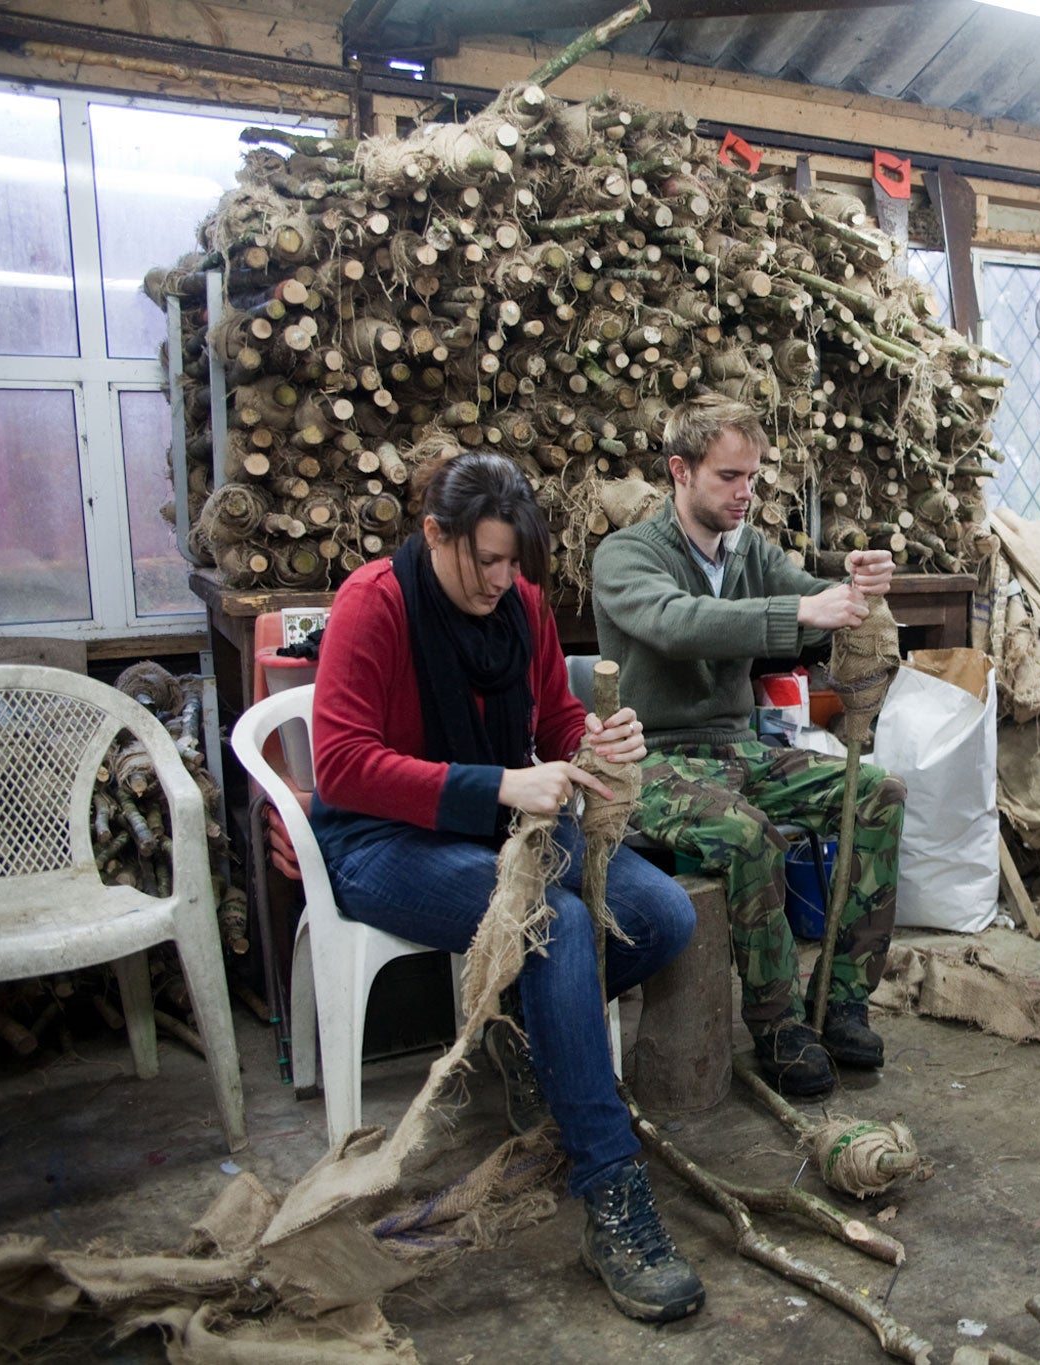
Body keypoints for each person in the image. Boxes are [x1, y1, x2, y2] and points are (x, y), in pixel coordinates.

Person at [310, 451, 704, 1324]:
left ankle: (528, 1033)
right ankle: (610, 1189)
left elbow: (554, 718)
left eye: (511, 561)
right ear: (434, 534)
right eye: (481, 559)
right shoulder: (374, 604)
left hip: (491, 830)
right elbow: (339, 765)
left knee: (661, 913)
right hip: (382, 840)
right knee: (554, 924)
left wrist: (599, 738)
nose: (499, 579)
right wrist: (494, 783)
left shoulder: (521, 604)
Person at [591, 394, 907, 1099]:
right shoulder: (624, 556)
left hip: (738, 749)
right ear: (680, 470)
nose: (746, 493)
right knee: (746, 833)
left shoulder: (750, 551)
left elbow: (810, 595)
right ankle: (777, 1024)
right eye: (728, 476)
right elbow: (679, 623)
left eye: (753, 477)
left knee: (877, 792)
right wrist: (801, 610)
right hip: (652, 759)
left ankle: (843, 998)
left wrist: (853, 587)